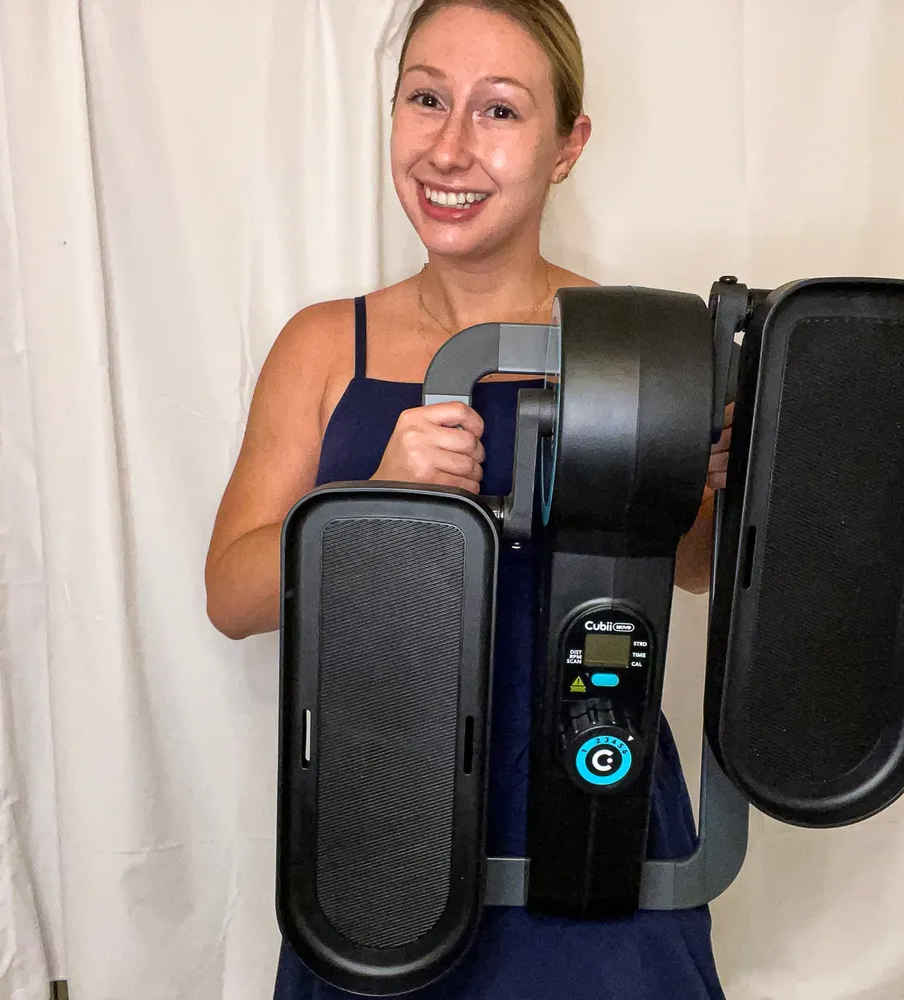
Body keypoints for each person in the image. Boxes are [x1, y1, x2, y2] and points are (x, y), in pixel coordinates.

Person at [206, 1, 729, 996]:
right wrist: (372, 506)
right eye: (426, 98)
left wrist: (709, 475)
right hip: (381, 841)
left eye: (499, 111)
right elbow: (230, 595)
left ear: (567, 145)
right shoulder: (324, 347)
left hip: (590, 815)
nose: (449, 148)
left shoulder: (639, 347)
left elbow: (695, 571)